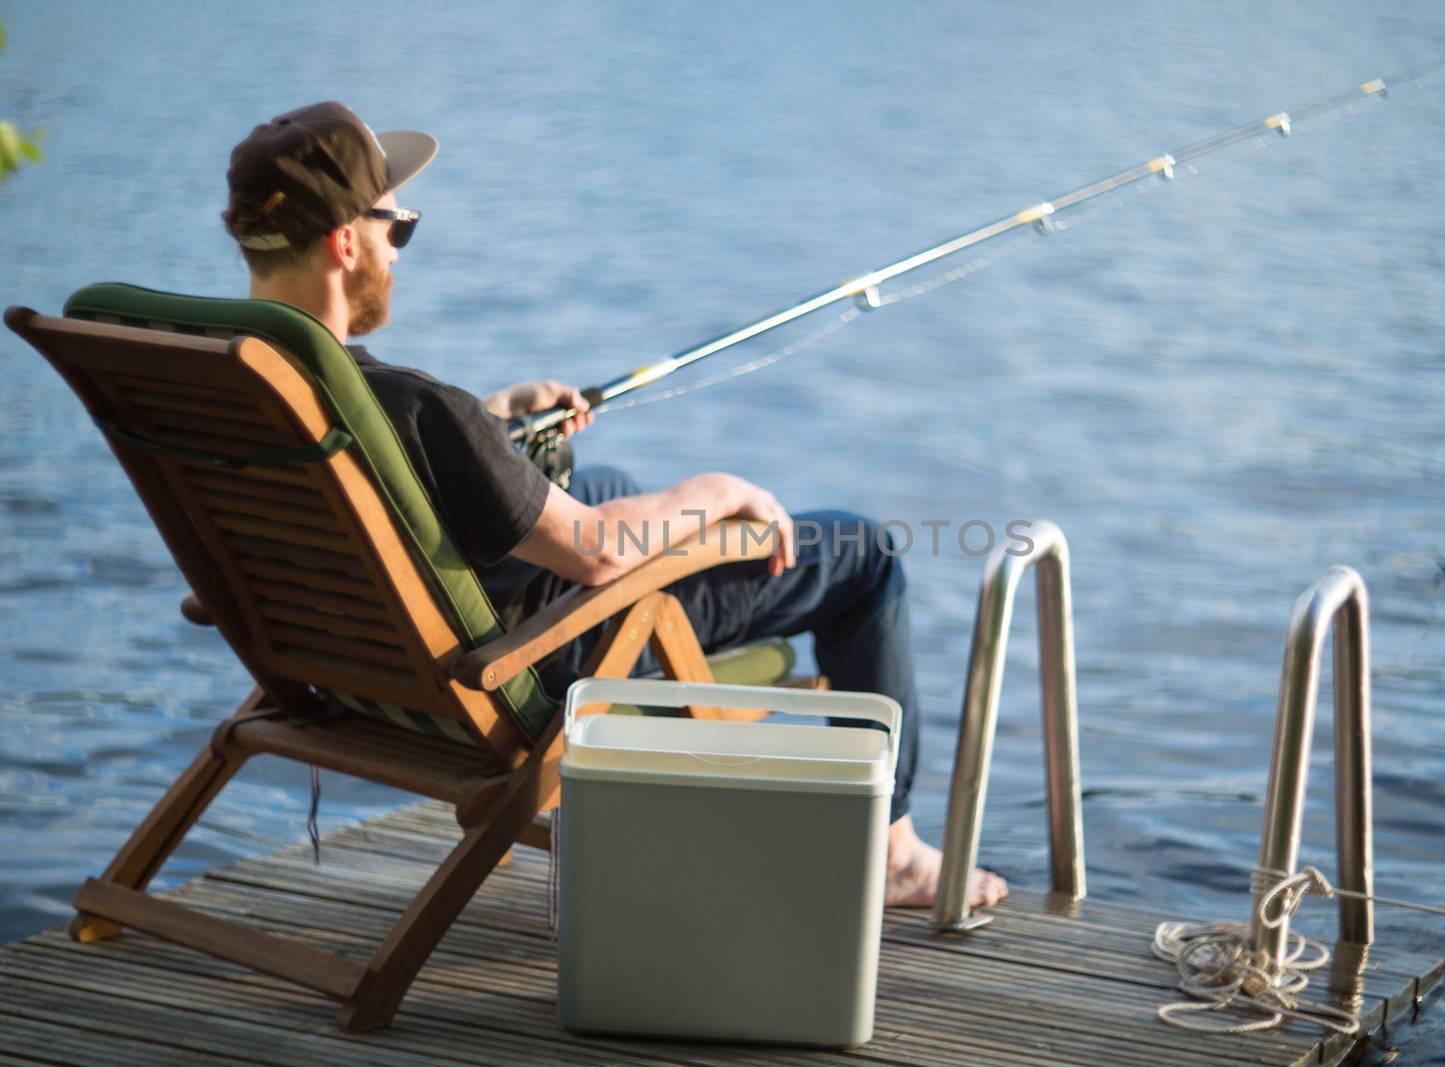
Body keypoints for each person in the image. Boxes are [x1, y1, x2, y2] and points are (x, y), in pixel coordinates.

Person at [220, 101, 1006, 910]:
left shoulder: (231, 384)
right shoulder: (414, 406)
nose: (399, 249)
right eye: (399, 226)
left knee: (599, 478)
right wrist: (720, 491)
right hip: (517, 654)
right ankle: (896, 853)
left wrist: (490, 426)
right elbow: (596, 552)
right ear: (345, 241)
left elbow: (379, 477)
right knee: (860, 557)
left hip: (352, 658)